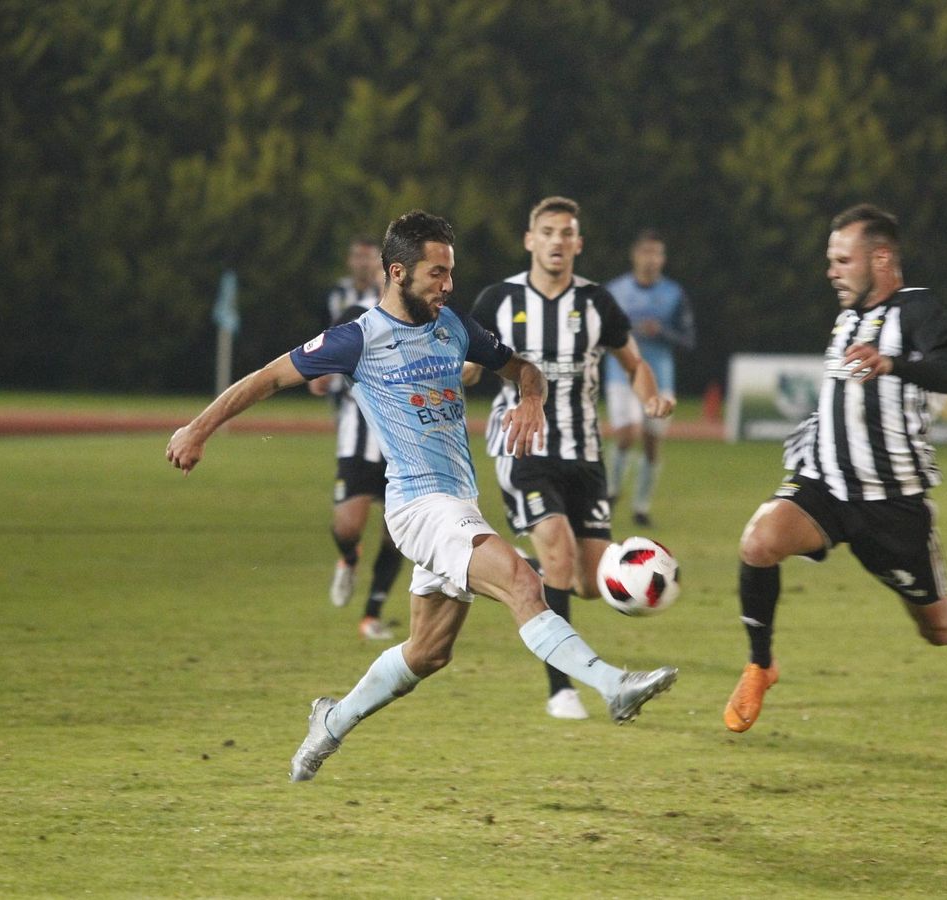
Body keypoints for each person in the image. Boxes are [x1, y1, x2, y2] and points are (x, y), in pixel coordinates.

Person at [166, 210, 678, 783]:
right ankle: (613, 685)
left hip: (459, 505)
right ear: (397, 272)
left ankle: (330, 722)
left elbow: (522, 368)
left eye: (450, 272)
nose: (448, 285)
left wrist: (530, 396)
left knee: (429, 652)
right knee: (522, 581)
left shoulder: (453, 327)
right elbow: (265, 377)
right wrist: (198, 429)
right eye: (437, 273)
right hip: (418, 507)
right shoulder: (356, 339)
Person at [723, 203, 947, 734]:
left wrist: (893, 363)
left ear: (881, 258)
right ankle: (760, 664)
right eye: (831, 260)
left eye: (842, 259)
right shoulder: (847, 318)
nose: (831, 270)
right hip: (827, 485)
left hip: (892, 503)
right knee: (758, 542)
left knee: (938, 627)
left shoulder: (916, 309)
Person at [467, 197, 674, 721]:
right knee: (559, 554)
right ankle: (562, 689)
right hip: (523, 448)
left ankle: (515, 572)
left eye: (567, 233)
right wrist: (460, 372)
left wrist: (649, 396)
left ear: (578, 244)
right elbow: (467, 363)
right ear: (530, 240)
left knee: (586, 582)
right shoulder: (498, 299)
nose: (558, 241)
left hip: (584, 454)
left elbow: (634, 363)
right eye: (548, 232)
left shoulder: (598, 303)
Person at [307, 235, 405, 639]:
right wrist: (320, 373)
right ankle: (349, 557)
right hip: (357, 430)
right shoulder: (350, 308)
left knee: (397, 531)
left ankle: (372, 614)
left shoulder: (426, 313)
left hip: (403, 438)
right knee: (348, 525)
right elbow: (324, 354)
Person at [603, 229, 695, 528]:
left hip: (660, 378)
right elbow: (596, 331)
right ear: (635, 255)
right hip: (621, 375)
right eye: (646, 252)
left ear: (663, 259)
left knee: (652, 442)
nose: (651, 259)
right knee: (627, 433)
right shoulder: (614, 291)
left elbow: (688, 340)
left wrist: (663, 332)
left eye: (657, 253)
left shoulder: (674, 294)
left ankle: (641, 507)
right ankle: (612, 490)